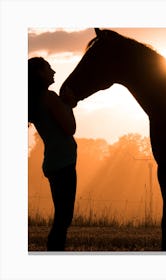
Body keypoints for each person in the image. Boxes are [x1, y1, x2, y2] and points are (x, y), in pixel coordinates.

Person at [28, 57, 77, 251]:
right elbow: (69, 128)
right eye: (49, 68)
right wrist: (70, 106)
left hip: (54, 163)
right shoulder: (49, 97)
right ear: (39, 73)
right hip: (63, 164)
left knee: (62, 217)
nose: (54, 71)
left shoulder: (37, 99)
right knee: (63, 219)